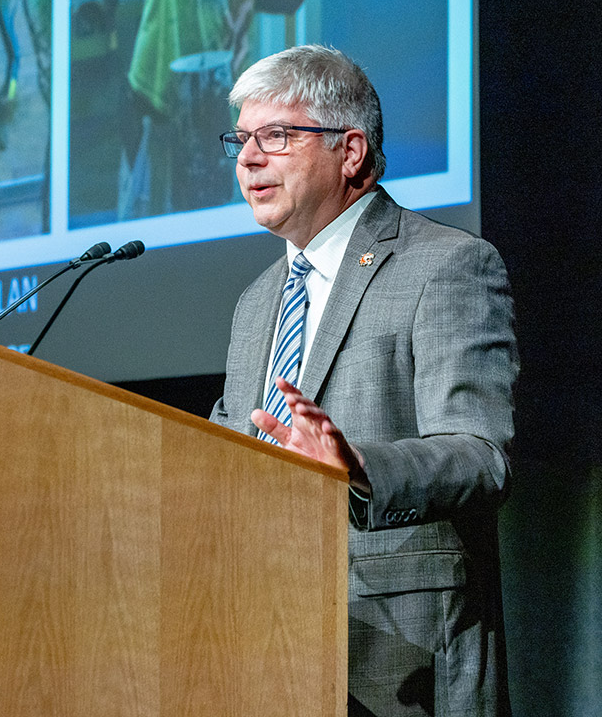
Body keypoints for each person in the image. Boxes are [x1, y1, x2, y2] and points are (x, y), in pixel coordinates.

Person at [210, 45, 516, 716]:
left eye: (276, 136)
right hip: (262, 643)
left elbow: (481, 456)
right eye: (241, 139)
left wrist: (356, 467)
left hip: (398, 656)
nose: (248, 158)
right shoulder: (258, 301)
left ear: (349, 152)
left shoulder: (448, 266)